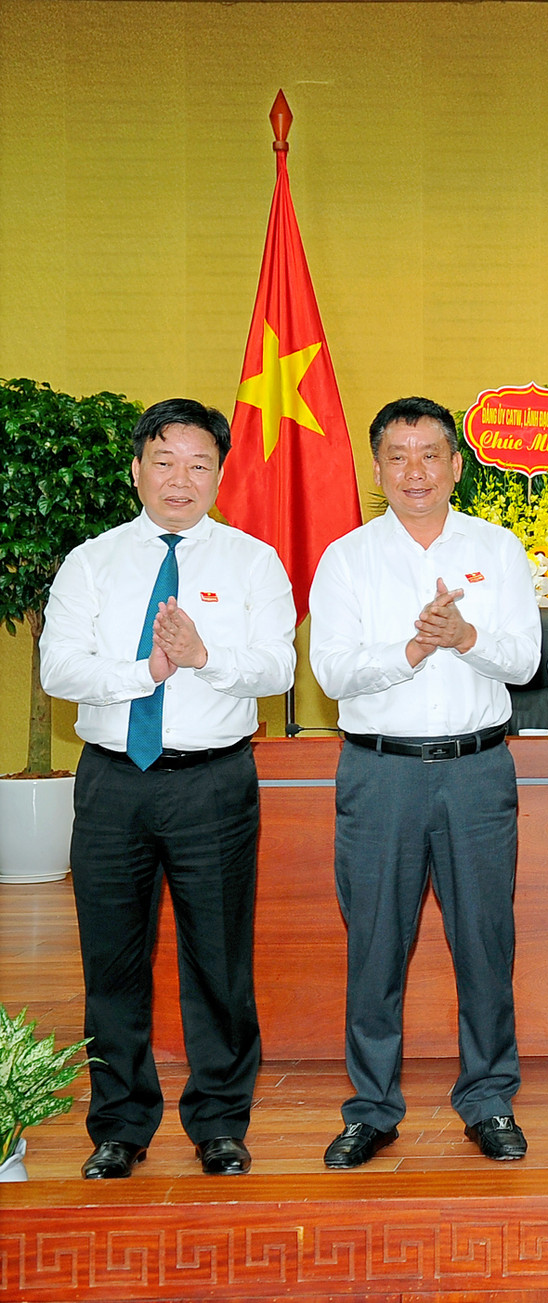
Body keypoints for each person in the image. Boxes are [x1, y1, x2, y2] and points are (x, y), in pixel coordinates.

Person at [39, 399, 295, 1179]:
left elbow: (278, 671)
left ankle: (220, 1121)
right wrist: (146, 671)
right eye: (163, 460)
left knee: (218, 963)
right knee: (112, 962)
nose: (179, 478)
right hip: (113, 782)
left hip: (212, 782)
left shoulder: (253, 562)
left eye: (198, 463)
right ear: (136, 469)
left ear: (220, 473)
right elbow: (58, 669)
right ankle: (119, 1125)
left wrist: (203, 654)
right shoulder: (91, 561)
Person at [308, 396, 540, 1168]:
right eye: (398, 456)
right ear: (377, 469)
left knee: (484, 941)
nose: (416, 471)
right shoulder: (346, 557)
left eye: (430, 453)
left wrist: (465, 636)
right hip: (381, 773)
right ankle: (371, 1107)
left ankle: (488, 1098)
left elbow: (524, 661)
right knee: (375, 943)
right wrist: (412, 648)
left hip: (477, 771)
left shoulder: (497, 548)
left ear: (455, 465)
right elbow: (333, 671)